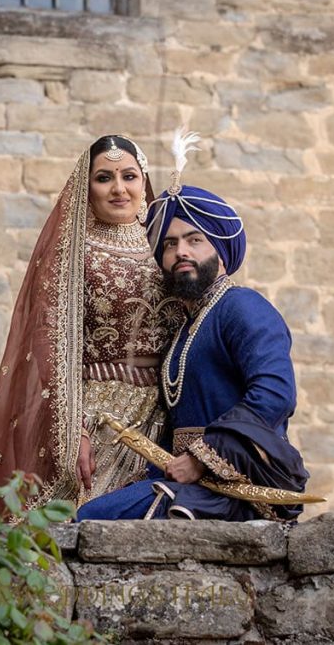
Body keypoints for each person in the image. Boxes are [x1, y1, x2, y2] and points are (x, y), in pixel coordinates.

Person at [76, 172, 311, 522]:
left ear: (220, 249)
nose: (181, 251)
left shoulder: (242, 306)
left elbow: (275, 394)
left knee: (94, 519)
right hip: (182, 476)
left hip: (237, 480)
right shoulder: (185, 328)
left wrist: (204, 457)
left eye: (194, 240)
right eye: (169, 244)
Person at [0, 135, 184, 513]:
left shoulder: (169, 245)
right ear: (87, 187)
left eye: (129, 177)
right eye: (104, 178)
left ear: (144, 179)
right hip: (98, 415)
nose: (119, 189)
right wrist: (73, 430)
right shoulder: (74, 250)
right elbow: (49, 343)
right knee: (86, 522)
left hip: (165, 416)